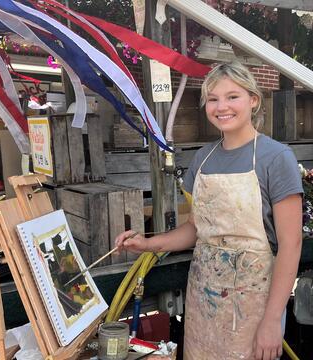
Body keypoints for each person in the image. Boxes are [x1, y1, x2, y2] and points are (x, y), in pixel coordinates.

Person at [115, 61, 303, 360]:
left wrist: (271, 321)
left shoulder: (277, 158)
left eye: (232, 97)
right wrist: (148, 244)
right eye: (212, 99)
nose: (221, 107)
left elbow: (291, 246)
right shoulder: (203, 159)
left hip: (253, 302)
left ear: (253, 100)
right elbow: (196, 229)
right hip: (204, 296)